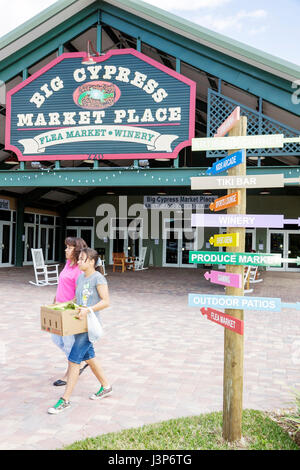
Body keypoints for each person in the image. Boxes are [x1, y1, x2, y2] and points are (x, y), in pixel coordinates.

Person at [48, 248, 112, 414]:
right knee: (89, 357)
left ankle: (65, 399)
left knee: (74, 359)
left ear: (91, 262)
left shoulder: (98, 278)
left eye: (83, 259)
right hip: (79, 323)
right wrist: (64, 305)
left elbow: (106, 302)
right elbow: (77, 298)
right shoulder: (81, 278)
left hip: (89, 326)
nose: (79, 262)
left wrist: (88, 309)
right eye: (79, 259)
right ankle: (106, 386)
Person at [51, 236, 88, 386]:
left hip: (69, 310)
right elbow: (62, 285)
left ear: (77, 250)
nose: (66, 250)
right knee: (56, 339)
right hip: (59, 306)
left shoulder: (79, 269)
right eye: (66, 247)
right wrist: (54, 301)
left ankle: (71, 371)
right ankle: (81, 361)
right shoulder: (68, 263)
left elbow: (79, 293)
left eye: (69, 247)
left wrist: (66, 307)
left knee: (68, 343)